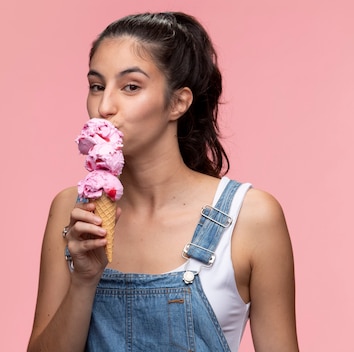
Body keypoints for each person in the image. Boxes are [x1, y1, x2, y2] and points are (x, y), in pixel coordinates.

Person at [27, 12, 299, 352]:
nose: (104, 106)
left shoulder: (251, 217)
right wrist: (83, 281)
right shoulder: (73, 209)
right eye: (97, 86)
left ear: (178, 102)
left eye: (131, 87)